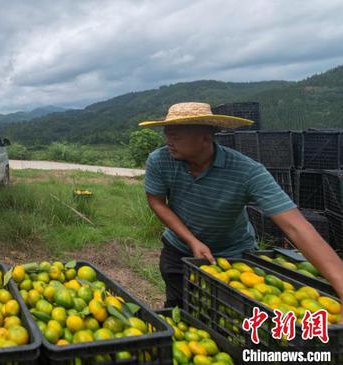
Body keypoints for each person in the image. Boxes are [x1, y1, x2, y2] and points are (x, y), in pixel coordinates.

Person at [141, 102, 343, 320]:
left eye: (176, 136)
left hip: (233, 256)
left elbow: (296, 226)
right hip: (179, 250)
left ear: (205, 137)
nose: (168, 142)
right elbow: (157, 202)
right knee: (179, 311)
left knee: (230, 318)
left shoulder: (247, 171)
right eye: (167, 135)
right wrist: (191, 240)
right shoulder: (160, 160)